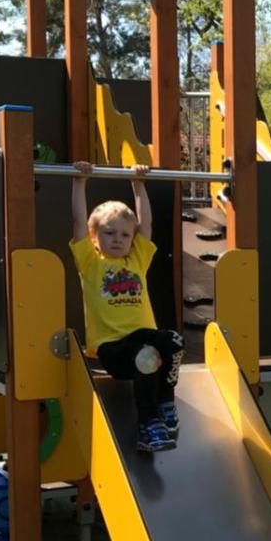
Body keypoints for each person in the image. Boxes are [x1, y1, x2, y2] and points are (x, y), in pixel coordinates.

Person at [70, 162, 183, 453]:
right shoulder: (91, 264)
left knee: (172, 341)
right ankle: (148, 425)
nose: (118, 239)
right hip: (112, 348)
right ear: (94, 238)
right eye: (109, 233)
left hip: (143, 339)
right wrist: (80, 182)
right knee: (147, 355)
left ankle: (165, 401)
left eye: (124, 235)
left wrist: (138, 185)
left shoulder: (137, 260)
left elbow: (147, 225)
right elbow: (78, 223)